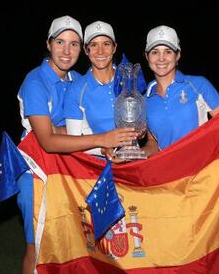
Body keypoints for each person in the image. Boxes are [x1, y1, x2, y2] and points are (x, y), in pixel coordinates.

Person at [16, 16, 137, 274]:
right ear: (48, 44)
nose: (66, 50)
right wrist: (101, 139)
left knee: (71, 247)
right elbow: (47, 140)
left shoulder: (75, 80)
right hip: (36, 174)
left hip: (67, 171)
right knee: (36, 248)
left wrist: (100, 144)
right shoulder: (35, 82)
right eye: (60, 42)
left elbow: (69, 130)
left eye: (73, 44)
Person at [64, 20, 157, 160]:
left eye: (106, 44)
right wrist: (102, 149)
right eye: (94, 45)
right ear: (86, 50)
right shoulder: (76, 90)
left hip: (134, 163)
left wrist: (142, 131)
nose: (100, 51)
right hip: (96, 169)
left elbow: (146, 127)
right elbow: (73, 141)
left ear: (114, 48)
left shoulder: (131, 80)